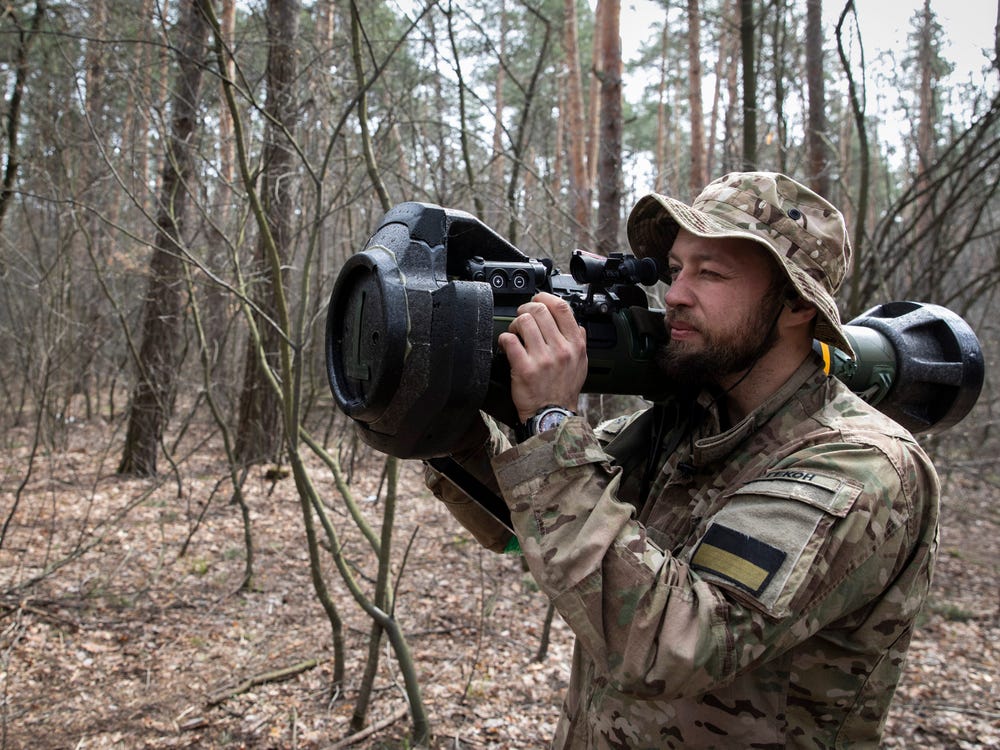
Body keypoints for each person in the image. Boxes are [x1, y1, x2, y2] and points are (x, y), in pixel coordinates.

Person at [425, 172, 940, 749]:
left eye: (711, 273)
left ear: (796, 304)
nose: (674, 295)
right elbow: (525, 526)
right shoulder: (683, 426)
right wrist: (439, 420)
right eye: (676, 269)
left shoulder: (855, 466)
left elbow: (674, 644)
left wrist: (551, 423)